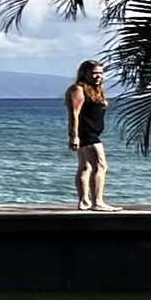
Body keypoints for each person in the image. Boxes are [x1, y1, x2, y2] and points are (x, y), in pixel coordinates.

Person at [65, 60, 112, 210]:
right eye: (94, 73)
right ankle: (97, 202)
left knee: (85, 167)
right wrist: (74, 136)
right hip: (86, 133)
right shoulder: (78, 89)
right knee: (101, 165)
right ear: (85, 73)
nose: (98, 76)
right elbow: (74, 114)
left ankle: (84, 201)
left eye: (101, 73)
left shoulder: (96, 90)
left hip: (91, 132)